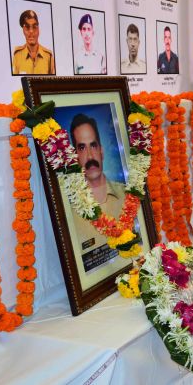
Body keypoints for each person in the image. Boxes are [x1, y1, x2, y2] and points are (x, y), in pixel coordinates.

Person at [69, 113, 126, 271]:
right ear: (75, 157)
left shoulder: (127, 194)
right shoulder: (69, 211)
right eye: (82, 148)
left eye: (93, 146)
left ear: (101, 151)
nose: (89, 155)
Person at [12, 10, 55, 75]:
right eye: (27, 27)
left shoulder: (48, 56)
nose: (31, 31)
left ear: (38, 30)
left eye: (35, 27)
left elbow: (53, 83)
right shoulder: (17, 56)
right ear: (23, 30)